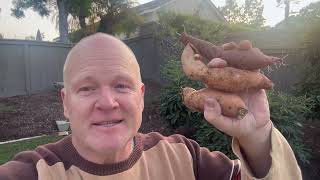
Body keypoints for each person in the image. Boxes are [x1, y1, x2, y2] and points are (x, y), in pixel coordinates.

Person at [0, 33, 302, 180]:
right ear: (65, 103)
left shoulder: (186, 160)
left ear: (141, 97)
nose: (107, 102)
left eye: (121, 85)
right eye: (87, 88)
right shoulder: (33, 173)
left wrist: (257, 136)